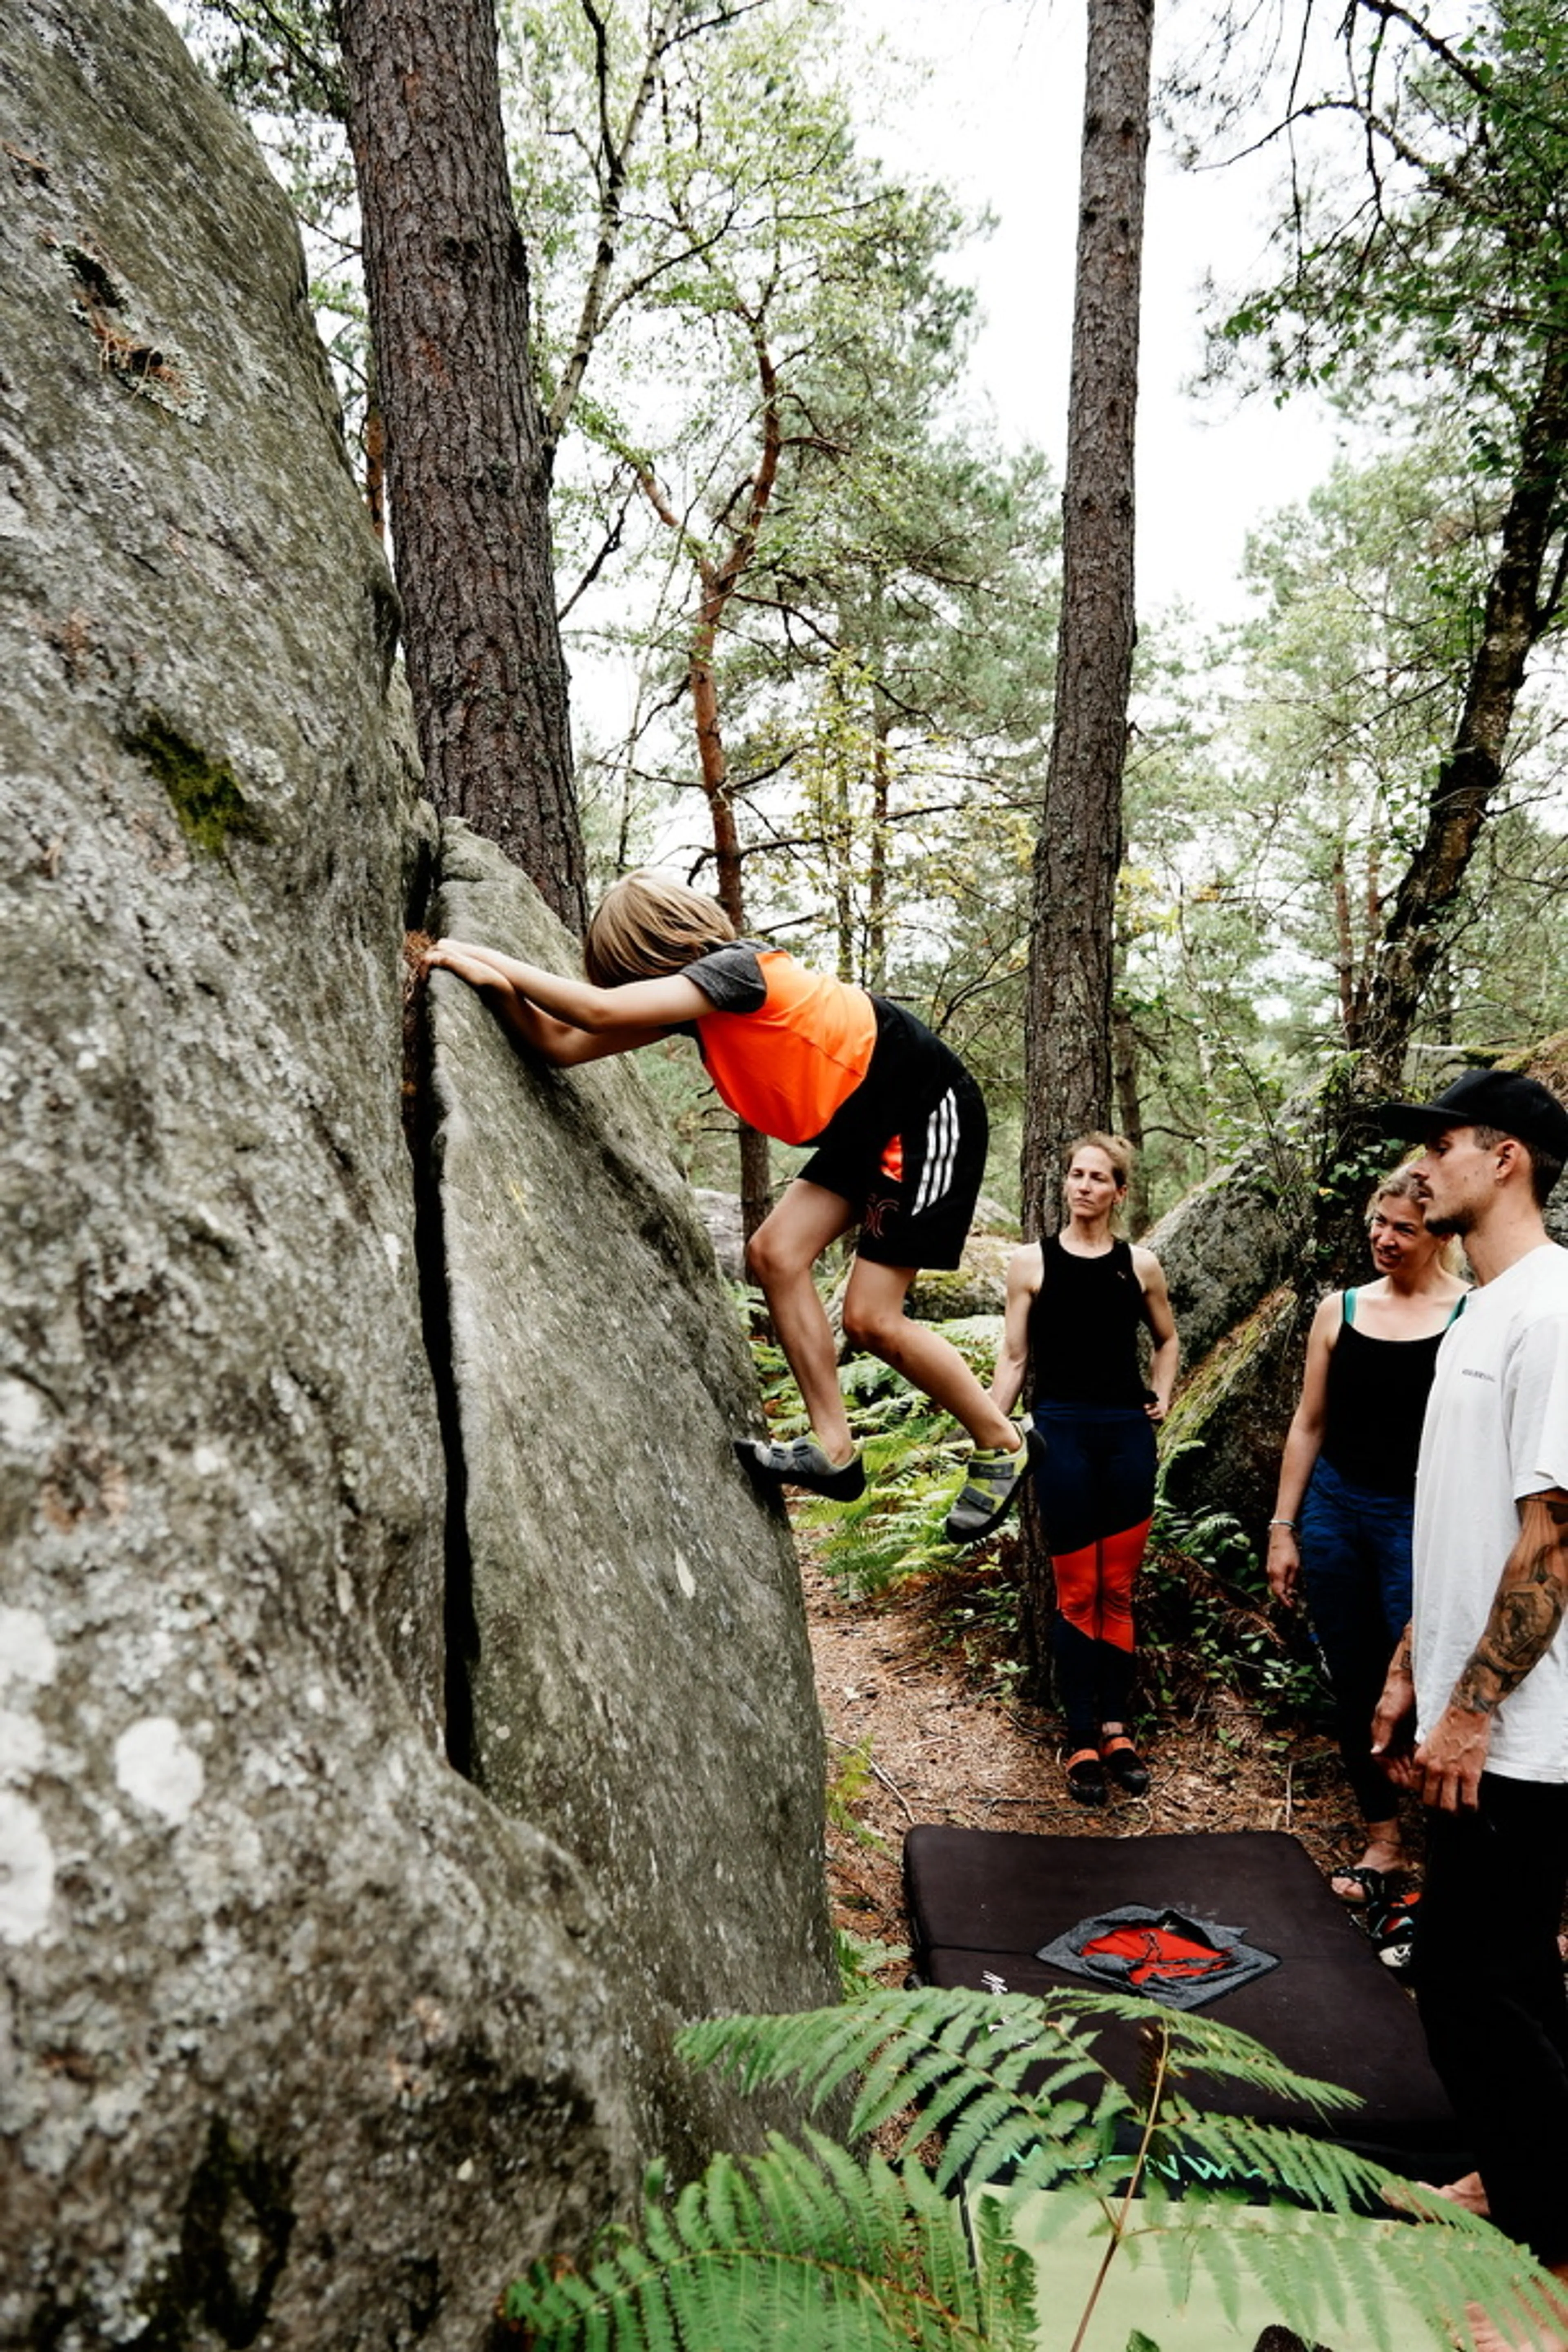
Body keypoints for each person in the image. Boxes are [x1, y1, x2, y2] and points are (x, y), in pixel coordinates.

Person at [422, 874, 1033, 1529]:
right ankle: (833, 1450)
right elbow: (562, 1044)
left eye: (621, 974)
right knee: (774, 1254)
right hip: (868, 1125)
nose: (619, 990)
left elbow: (594, 1014)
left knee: (872, 1319)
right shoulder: (702, 1009)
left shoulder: (738, 973)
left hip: (925, 1114)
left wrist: (486, 957)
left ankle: (1002, 1443)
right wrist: (499, 990)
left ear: (646, 953)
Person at [1367, 1069, 1568, 2352]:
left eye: (1441, 1146)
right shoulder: (1488, 1312)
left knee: (1470, 1981)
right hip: (1470, 1702)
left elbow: (1555, 1536)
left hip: (1530, 1732)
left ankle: (1548, 2249)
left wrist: (1475, 1712)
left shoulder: (1555, 1309)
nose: (1421, 1170)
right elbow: (1464, 1521)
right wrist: (1407, 1666)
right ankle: (1518, 2166)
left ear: (1505, 1158)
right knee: (1504, 1985)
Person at [1266, 1171, 1466, 1904]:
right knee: (1353, 1674)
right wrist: (1284, 1527)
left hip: (1421, 1518)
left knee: (1429, 1679)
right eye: (1379, 1223)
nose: (1385, 1238)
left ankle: (1450, 1859)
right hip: (1336, 1508)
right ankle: (1383, 1842)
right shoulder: (1339, 1309)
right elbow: (1309, 1424)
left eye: (1404, 1228)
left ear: (1440, 1233)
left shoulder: (1468, 1317)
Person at [989, 1134, 1179, 1804]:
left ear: (1119, 1192)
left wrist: (1164, 1391)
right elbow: (1013, 1360)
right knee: (1077, 1593)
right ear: (1065, 1185)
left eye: (1099, 1178)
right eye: (1077, 1175)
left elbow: (1167, 1338)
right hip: (1062, 1434)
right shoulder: (1029, 1265)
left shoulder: (1141, 1265)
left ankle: (1117, 1728)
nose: (1085, 1186)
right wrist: (990, 1431)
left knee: (1118, 1591)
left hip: (1127, 1436)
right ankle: (1079, 1737)